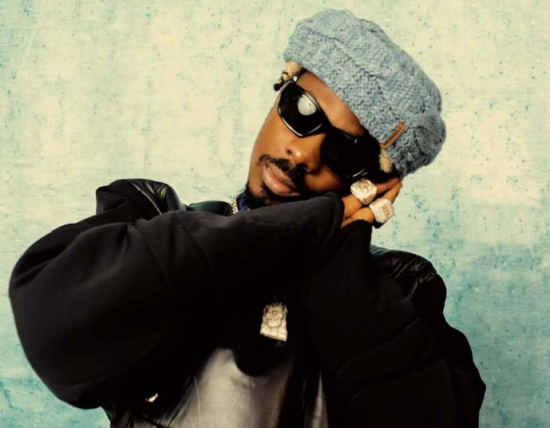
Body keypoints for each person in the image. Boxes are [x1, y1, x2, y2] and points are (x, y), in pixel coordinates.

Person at [8, 8, 486, 428]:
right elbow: (55, 326)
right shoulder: (149, 213)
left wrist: (339, 256)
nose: (302, 154)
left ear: (371, 180)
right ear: (278, 94)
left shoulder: (403, 287)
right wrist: (313, 224)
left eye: (344, 151)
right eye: (302, 111)